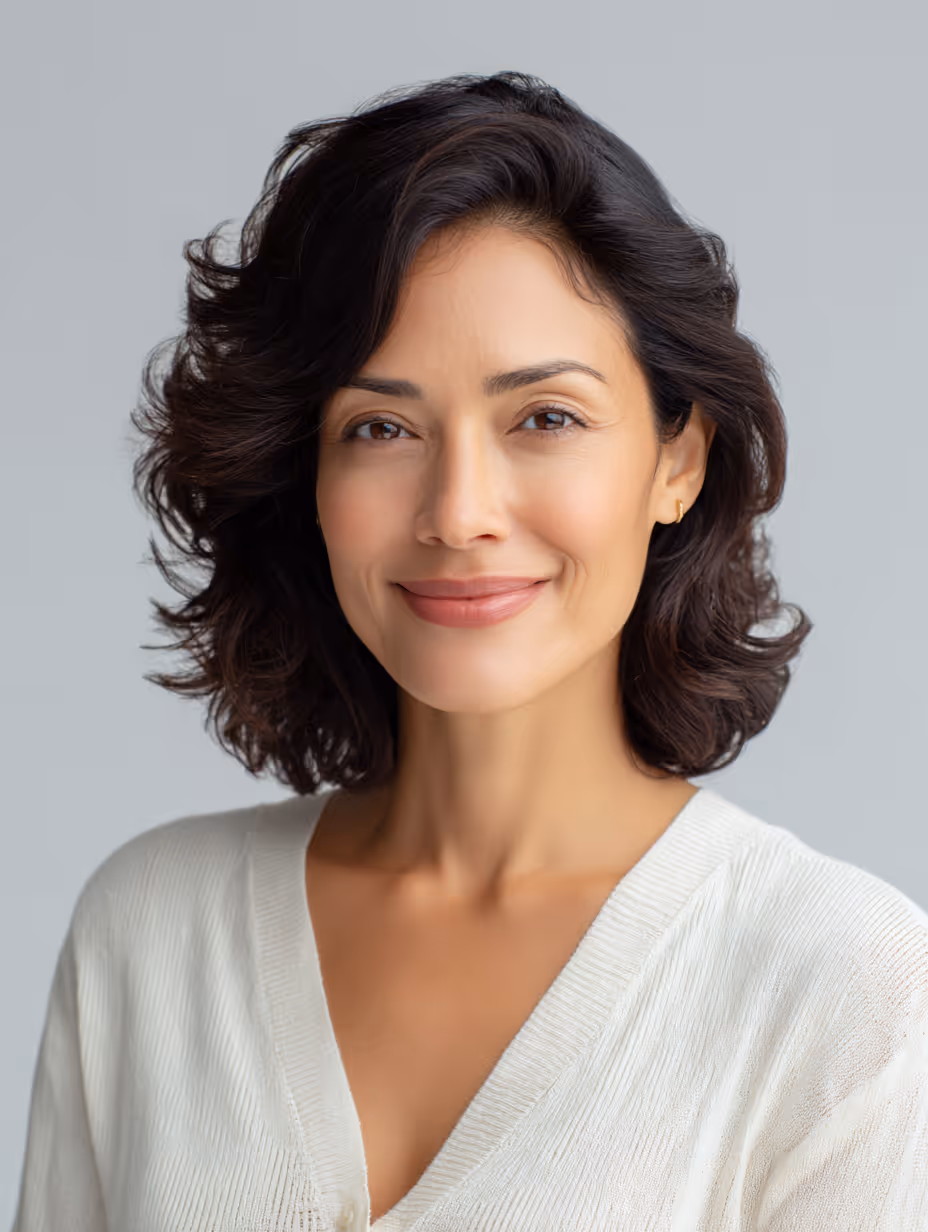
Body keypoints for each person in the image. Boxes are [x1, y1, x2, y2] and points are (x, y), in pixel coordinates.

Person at [12, 71, 928, 1232]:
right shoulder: (149, 932)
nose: (457, 510)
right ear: (307, 474)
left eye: (544, 416)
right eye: (381, 427)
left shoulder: (847, 985)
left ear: (676, 459)